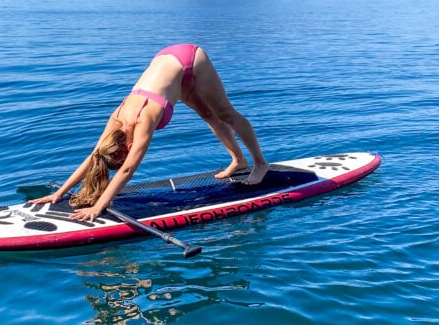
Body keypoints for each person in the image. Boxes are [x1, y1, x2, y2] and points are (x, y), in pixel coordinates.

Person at [28, 43, 268, 222]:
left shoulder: (144, 119)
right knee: (206, 115)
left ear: (125, 147)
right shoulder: (116, 119)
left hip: (189, 59)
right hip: (166, 64)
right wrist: (59, 193)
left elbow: (128, 169)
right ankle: (238, 160)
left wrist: (98, 206)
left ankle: (259, 163)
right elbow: (94, 156)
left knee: (224, 113)